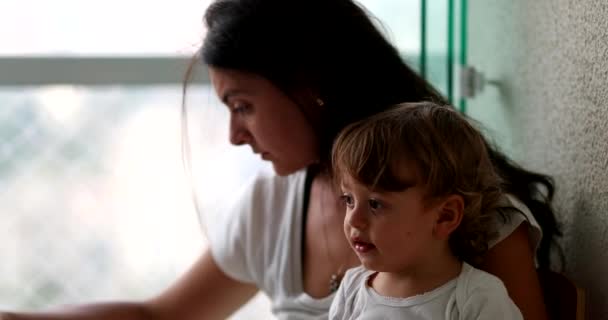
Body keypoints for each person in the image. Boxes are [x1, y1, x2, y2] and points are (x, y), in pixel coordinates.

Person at [0, 0, 559, 319]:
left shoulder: (475, 216)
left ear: (309, 86)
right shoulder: (271, 208)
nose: (235, 136)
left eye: (242, 106)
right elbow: (160, 318)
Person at [328, 102, 522, 319]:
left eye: (375, 204)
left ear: (444, 216)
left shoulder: (477, 299)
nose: (354, 220)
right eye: (349, 199)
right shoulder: (352, 289)